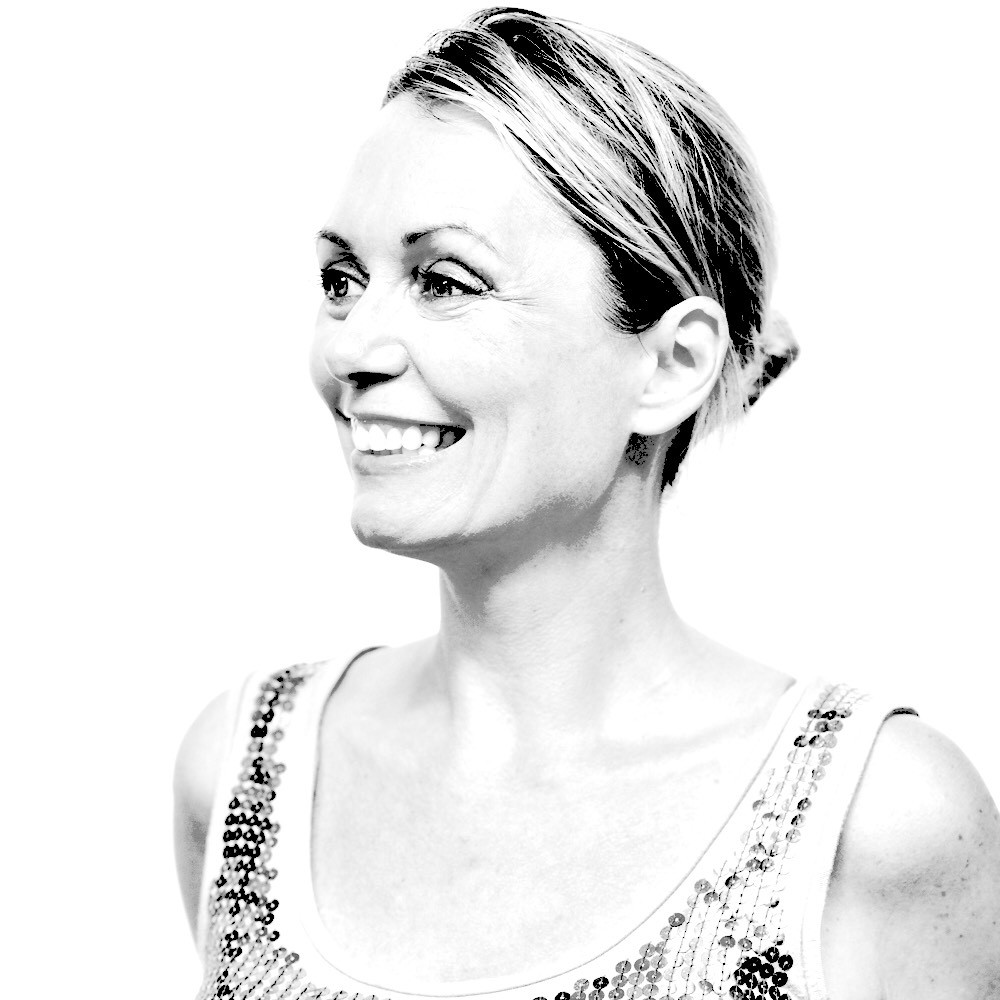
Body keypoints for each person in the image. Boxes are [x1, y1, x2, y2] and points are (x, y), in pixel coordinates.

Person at [174, 8, 1000, 999]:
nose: (351, 346)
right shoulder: (246, 771)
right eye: (342, 279)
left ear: (671, 363)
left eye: (446, 281)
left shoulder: (871, 819)